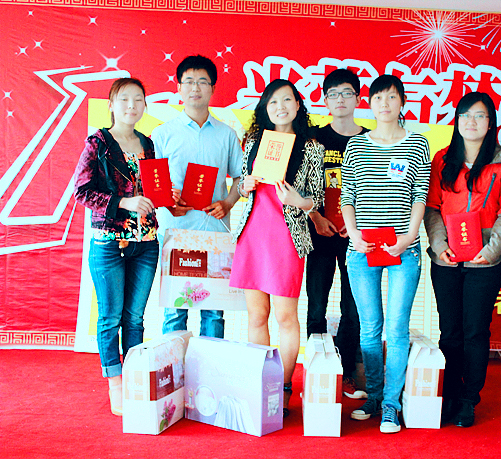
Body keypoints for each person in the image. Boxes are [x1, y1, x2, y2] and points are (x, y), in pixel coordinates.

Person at [229, 78, 324, 417]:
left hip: (286, 237)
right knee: (257, 316)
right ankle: (260, 383)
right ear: (265, 109)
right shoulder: (254, 142)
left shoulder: (311, 147)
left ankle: (283, 386)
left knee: (285, 317)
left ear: (298, 105)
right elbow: (242, 187)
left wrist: (298, 200)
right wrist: (245, 185)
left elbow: (318, 199)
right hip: (253, 234)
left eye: (286, 100)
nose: (280, 107)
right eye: (273, 102)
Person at [424, 92, 501, 427]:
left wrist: (490, 250)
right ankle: (449, 395)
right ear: (457, 121)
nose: (471, 122)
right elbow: (432, 208)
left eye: (479, 116)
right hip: (447, 260)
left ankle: (468, 400)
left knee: (475, 332)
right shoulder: (442, 159)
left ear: (490, 123)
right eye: (465, 115)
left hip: (484, 263)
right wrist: (439, 246)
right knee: (449, 332)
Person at [341, 74, 431, 433]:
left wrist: (409, 236)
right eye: (378, 97)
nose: (384, 104)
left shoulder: (417, 143)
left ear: (402, 102)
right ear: (370, 103)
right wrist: (354, 234)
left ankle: (392, 405)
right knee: (369, 329)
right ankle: (375, 397)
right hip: (362, 249)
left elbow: (420, 195)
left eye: (391, 97)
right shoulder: (356, 145)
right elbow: (348, 196)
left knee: (395, 329)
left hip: (403, 249)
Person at [74, 77, 159, 416]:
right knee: (110, 317)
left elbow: (150, 190)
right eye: (124, 99)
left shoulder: (148, 144)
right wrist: (123, 203)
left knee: (135, 318)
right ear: (111, 105)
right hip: (109, 242)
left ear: (144, 105)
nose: (131, 105)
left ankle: (135, 378)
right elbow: (82, 191)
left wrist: (165, 196)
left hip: (146, 242)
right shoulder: (98, 142)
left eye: (138, 99)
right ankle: (116, 383)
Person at [153, 55, 243, 339]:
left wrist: (228, 203)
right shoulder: (162, 134)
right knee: (175, 311)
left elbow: (241, 178)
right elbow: (152, 183)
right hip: (175, 233)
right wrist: (168, 201)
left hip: (215, 232)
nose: (195, 88)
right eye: (189, 81)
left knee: (214, 312)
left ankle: (210, 366)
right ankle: (174, 365)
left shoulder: (227, 134)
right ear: (178, 87)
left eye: (203, 82)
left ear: (213, 88)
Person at [306, 68, 369, 400]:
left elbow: (379, 190)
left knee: (353, 305)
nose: (340, 99)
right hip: (318, 231)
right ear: (325, 100)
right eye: (333, 94)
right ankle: (316, 371)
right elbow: (301, 184)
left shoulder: (371, 140)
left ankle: (346, 373)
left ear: (358, 98)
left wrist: (356, 224)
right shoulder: (314, 139)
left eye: (347, 93)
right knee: (316, 303)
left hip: (356, 237)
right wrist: (316, 216)